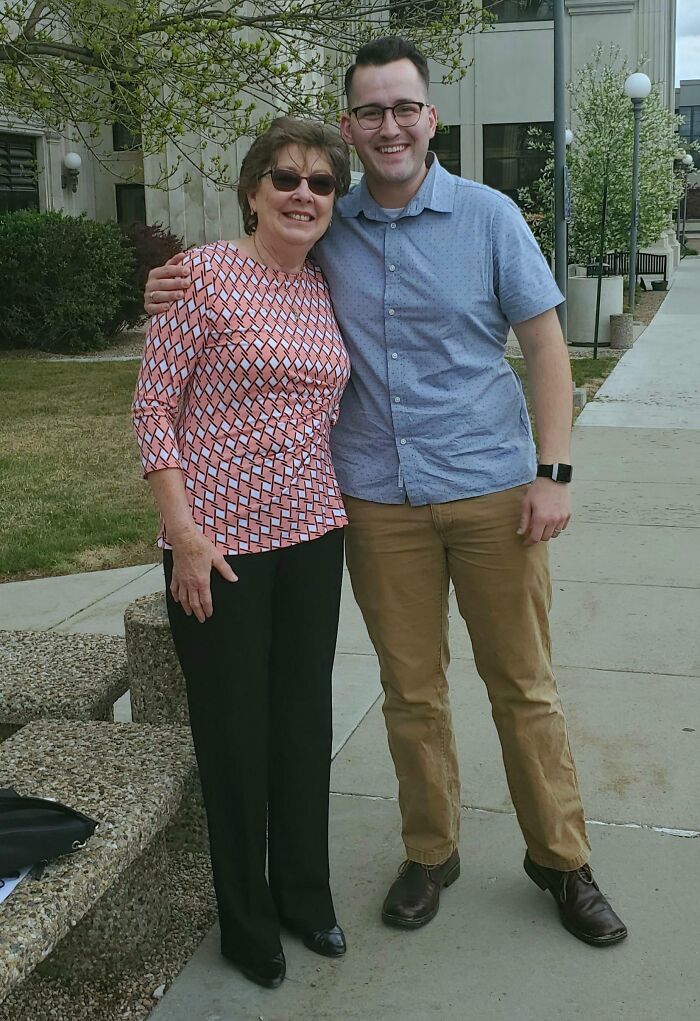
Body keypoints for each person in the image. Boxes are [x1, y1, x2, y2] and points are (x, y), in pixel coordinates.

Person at [144, 37, 627, 948]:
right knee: (412, 691)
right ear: (350, 126)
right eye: (370, 110)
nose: (389, 125)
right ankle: (430, 850)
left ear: (430, 118)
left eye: (404, 107)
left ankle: (562, 861)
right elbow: (247, 276)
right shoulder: (328, 220)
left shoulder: (488, 217)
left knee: (522, 686)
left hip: (490, 490)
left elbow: (547, 346)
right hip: (374, 501)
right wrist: (171, 280)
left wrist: (553, 471)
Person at [133, 117, 352, 990]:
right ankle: (246, 920)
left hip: (312, 534)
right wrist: (182, 534)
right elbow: (154, 413)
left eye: (321, 182)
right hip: (215, 546)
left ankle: (306, 895)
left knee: (302, 724)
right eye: (287, 177)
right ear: (254, 189)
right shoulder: (202, 277)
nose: (304, 193)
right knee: (233, 735)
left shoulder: (324, 285)